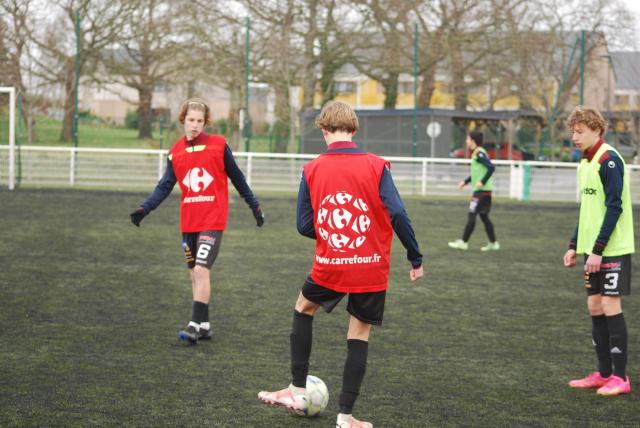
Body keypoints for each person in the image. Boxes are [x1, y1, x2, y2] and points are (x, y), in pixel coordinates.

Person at [257, 101, 424, 428]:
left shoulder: (312, 168)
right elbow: (398, 214)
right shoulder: (377, 165)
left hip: (332, 261)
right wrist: (414, 256)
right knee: (359, 334)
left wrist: (335, 234)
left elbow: (304, 225)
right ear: (355, 130)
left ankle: (296, 388)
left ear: (323, 130)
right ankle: (346, 417)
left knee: (304, 308)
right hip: (371, 266)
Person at [129, 98, 264, 345]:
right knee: (194, 274)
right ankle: (204, 326)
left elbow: (238, 178)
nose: (194, 126)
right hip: (188, 222)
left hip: (212, 220)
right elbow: (165, 186)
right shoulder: (175, 152)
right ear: (183, 120)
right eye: (191, 120)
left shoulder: (219, 146)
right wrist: (145, 208)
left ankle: (192, 325)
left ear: (205, 122)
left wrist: (254, 204)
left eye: (199, 121)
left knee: (202, 269)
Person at [563, 106, 634, 396]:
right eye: (573, 132)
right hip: (592, 250)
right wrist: (573, 245)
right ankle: (603, 373)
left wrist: (598, 250)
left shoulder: (609, 160)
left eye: (580, 131)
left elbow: (614, 208)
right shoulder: (585, 162)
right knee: (594, 307)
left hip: (612, 249)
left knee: (609, 305)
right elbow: (588, 210)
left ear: (597, 130)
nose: (575, 137)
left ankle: (620, 377)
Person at [448, 131, 500, 251]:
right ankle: (493, 243)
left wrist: (482, 182)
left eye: (467, 138)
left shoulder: (479, 153)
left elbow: (491, 167)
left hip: (481, 192)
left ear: (472, 140)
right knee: (484, 217)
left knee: (472, 214)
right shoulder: (477, 153)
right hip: (485, 192)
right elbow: (477, 173)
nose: (466, 141)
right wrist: (465, 182)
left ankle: (464, 242)